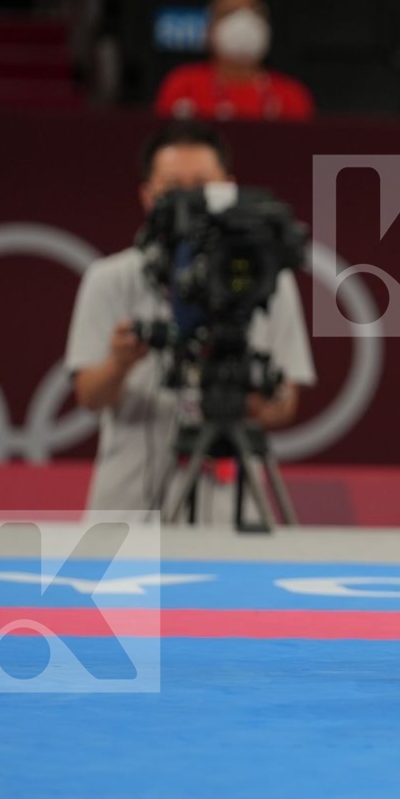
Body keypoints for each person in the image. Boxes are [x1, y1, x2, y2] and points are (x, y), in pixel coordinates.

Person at [65, 122, 316, 516]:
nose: (189, 201)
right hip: (128, 510)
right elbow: (89, 396)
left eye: (201, 185)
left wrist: (234, 386)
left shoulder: (266, 281)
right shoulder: (109, 279)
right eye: (172, 187)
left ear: (228, 188)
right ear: (147, 196)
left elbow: (283, 407)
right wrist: (119, 362)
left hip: (231, 512)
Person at [154, 0, 315, 121]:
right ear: (209, 29)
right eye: (230, 13)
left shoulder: (292, 94)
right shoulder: (182, 85)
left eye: (255, 13)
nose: (244, 22)